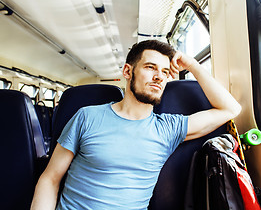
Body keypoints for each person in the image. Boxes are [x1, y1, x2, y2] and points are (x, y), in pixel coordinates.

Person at [31, 40, 241, 210]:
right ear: (127, 72)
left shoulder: (168, 128)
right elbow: (50, 178)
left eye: (166, 72)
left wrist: (193, 65)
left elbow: (230, 109)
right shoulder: (87, 117)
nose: (159, 76)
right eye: (150, 68)